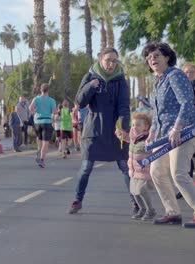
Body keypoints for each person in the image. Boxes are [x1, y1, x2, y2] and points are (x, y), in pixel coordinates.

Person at [68, 47, 136, 214]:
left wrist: (123, 128)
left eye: (114, 61)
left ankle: (136, 201)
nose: (111, 64)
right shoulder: (90, 76)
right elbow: (80, 102)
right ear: (100, 59)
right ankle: (78, 200)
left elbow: (124, 106)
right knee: (86, 167)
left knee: (125, 167)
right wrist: (91, 86)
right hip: (94, 130)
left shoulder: (120, 80)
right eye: (108, 60)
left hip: (115, 130)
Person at [142, 43, 195, 227]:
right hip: (163, 135)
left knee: (178, 173)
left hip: (183, 132)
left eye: (156, 55)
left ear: (166, 57)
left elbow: (187, 103)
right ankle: (172, 212)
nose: (152, 59)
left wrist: (178, 127)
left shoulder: (176, 75)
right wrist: (151, 133)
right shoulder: (158, 81)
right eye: (149, 57)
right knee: (156, 171)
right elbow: (158, 113)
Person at [116, 112, 156, 220]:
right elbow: (127, 139)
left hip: (144, 171)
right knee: (134, 192)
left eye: (138, 125)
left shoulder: (147, 139)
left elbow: (154, 149)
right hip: (133, 171)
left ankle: (150, 210)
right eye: (133, 125)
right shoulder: (134, 137)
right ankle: (142, 209)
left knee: (142, 190)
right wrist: (121, 134)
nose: (135, 127)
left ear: (146, 127)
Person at [176, 62, 195, 199]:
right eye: (186, 72)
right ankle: (185, 190)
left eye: (191, 72)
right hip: (184, 128)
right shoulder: (179, 88)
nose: (188, 74)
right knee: (185, 160)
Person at [29, 83, 56, 168]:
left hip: (37, 122)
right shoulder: (51, 100)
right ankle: (42, 159)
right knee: (45, 142)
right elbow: (54, 112)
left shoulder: (36, 98)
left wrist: (34, 112)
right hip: (47, 121)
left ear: (41, 90)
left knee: (39, 138)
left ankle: (38, 150)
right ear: (48, 90)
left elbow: (30, 108)